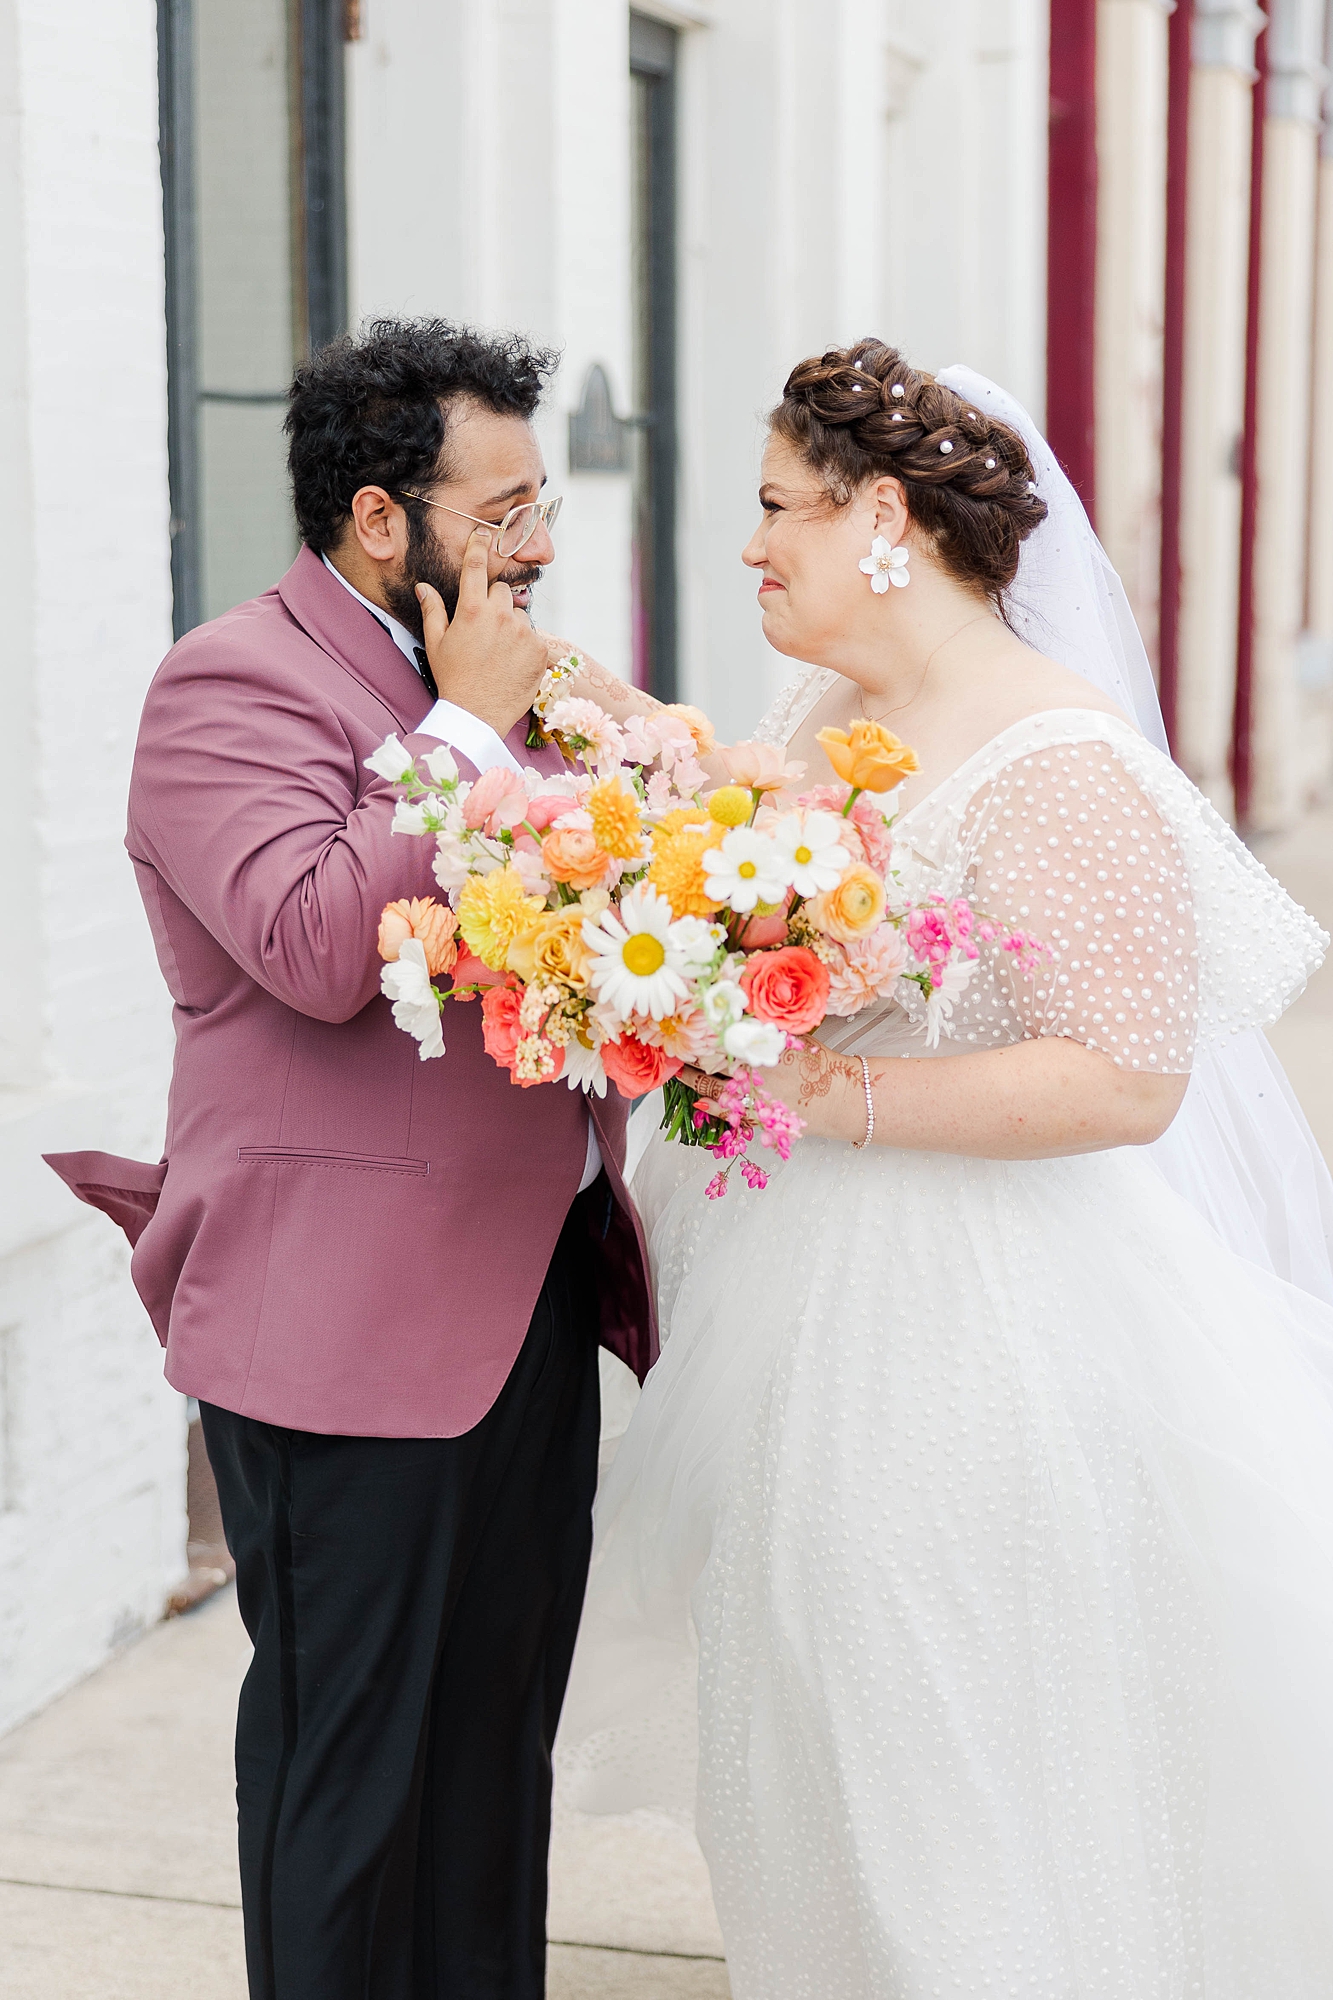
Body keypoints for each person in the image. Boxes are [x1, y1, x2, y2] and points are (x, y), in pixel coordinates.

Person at [556, 342, 1333, 1997]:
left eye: (777, 507)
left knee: (935, 1702)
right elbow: (751, 877)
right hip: (793, 1284)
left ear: (883, 519)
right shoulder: (828, 707)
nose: (750, 545)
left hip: (974, 1315)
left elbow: (1124, 1077)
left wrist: (824, 1087)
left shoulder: (1055, 758)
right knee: (803, 1687)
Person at [45, 317, 654, 2000]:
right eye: (503, 510)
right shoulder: (228, 683)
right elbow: (316, 944)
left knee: (491, 1765)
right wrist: (466, 736)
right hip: (342, 1329)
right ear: (381, 520)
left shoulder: (514, 680)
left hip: (529, 1295)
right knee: (351, 1774)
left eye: (540, 503)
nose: (537, 545)